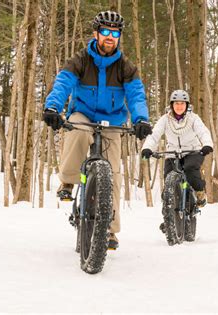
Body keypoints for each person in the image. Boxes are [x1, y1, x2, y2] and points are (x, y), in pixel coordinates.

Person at [43, 11, 152, 250]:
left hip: (112, 121)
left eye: (115, 33)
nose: (110, 37)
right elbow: (62, 84)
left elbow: (136, 96)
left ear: (119, 37)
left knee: (113, 173)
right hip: (83, 114)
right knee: (79, 132)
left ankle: (109, 231)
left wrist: (141, 119)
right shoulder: (80, 60)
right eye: (105, 32)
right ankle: (68, 182)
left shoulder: (126, 67)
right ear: (96, 34)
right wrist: (52, 106)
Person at [141, 90, 213, 207]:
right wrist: (147, 148)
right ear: (171, 105)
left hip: (192, 151)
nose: (179, 106)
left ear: (187, 105)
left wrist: (207, 144)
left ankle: (199, 192)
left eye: (182, 103)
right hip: (172, 153)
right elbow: (154, 135)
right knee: (168, 178)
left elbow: (203, 132)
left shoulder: (193, 118)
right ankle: (169, 215)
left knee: (190, 170)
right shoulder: (165, 119)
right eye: (176, 103)